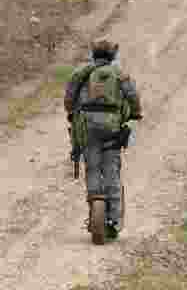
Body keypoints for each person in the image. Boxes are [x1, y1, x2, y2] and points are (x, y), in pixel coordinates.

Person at [63, 39, 143, 240]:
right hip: (111, 129)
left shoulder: (81, 73)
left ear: (93, 54)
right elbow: (132, 96)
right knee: (111, 169)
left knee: (92, 167)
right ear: (112, 55)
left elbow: (69, 99)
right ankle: (113, 220)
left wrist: (73, 112)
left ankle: (94, 208)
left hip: (87, 129)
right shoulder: (118, 73)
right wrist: (135, 112)